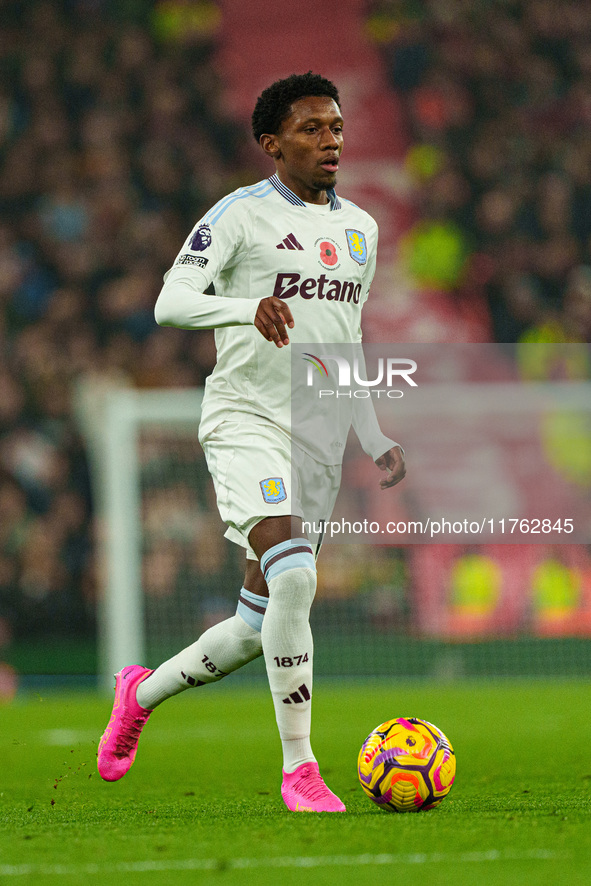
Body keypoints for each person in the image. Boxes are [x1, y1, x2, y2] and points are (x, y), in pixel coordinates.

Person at [97, 72, 406, 812]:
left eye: (334, 126)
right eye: (310, 129)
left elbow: (347, 342)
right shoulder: (239, 215)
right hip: (245, 418)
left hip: (319, 438)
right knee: (295, 575)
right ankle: (299, 769)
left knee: (256, 621)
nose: (329, 140)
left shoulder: (360, 230)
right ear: (272, 145)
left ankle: (141, 692)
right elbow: (171, 301)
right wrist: (245, 309)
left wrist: (371, 430)